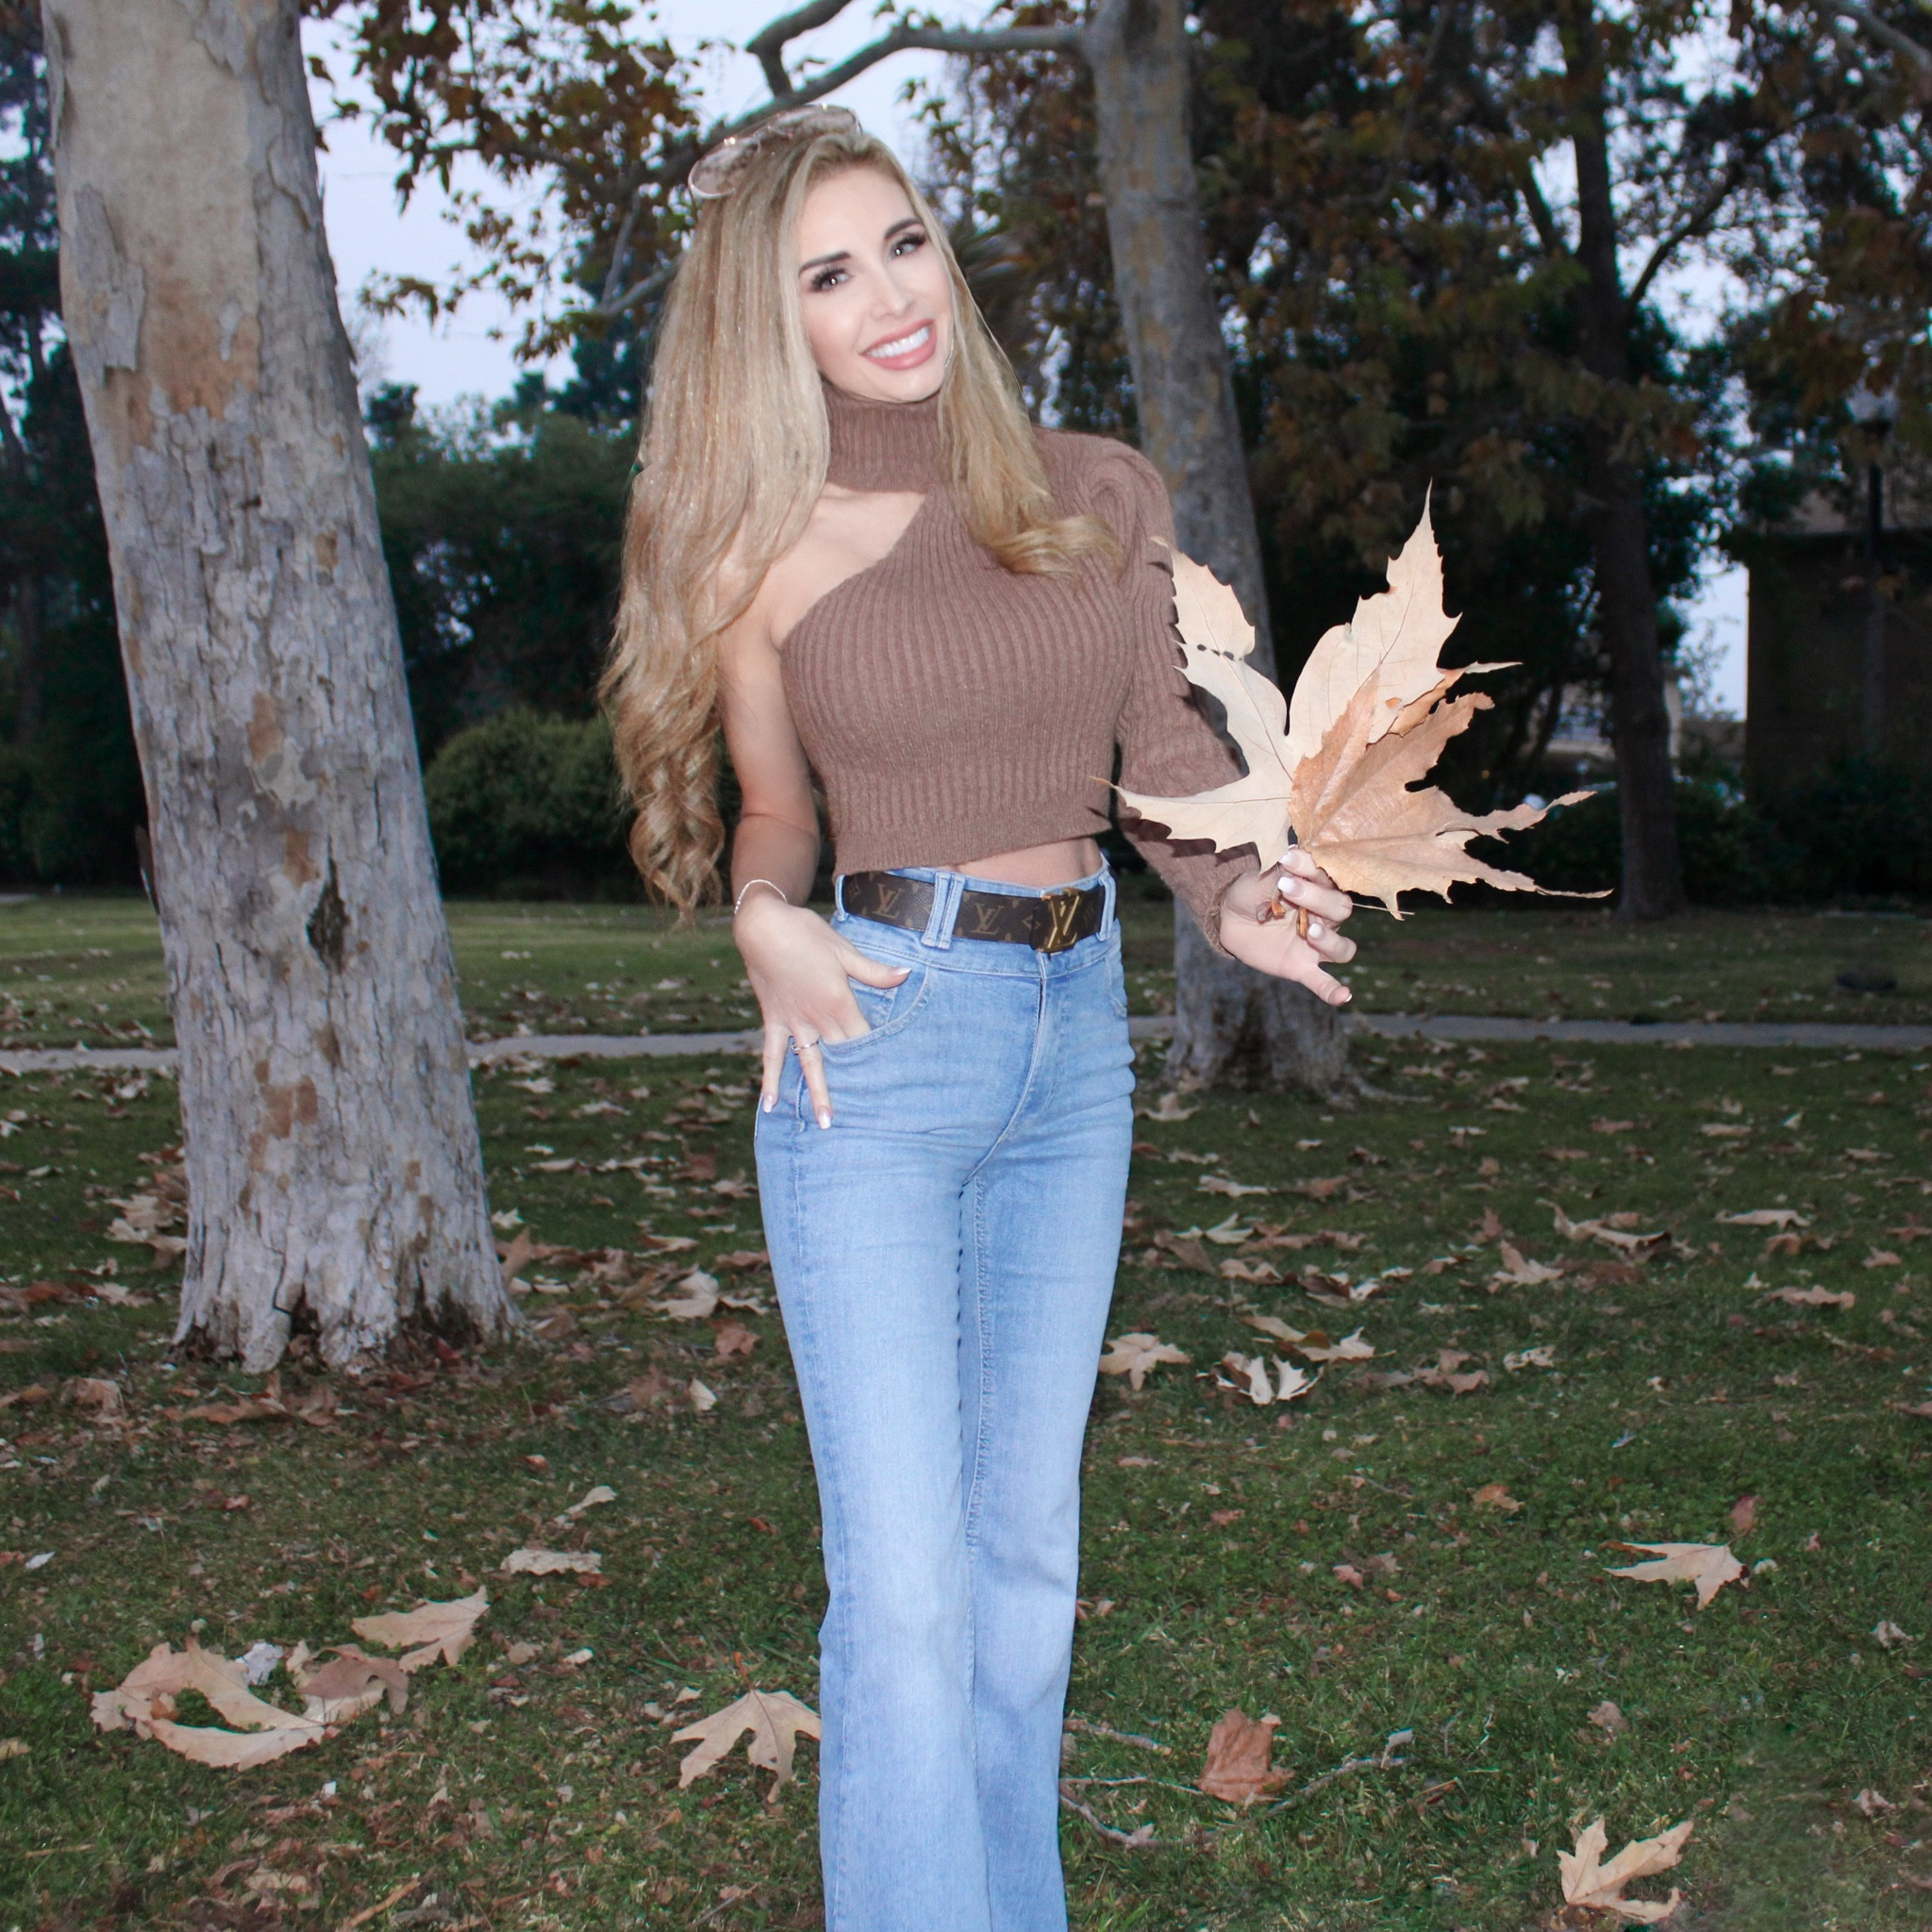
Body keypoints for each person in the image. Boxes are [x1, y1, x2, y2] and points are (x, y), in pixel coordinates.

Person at [605, 108, 1357, 1932]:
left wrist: (1238, 896)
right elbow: (773, 808)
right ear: (766, 324)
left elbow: (1168, 764)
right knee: (910, 1589)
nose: (889, 296)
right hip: (877, 1036)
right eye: (829, 273)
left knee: (1025, 1564)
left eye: (908, 243)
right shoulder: (758, 550)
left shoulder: (1092, 489)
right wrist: (764, 923)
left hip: (1072, 1042)